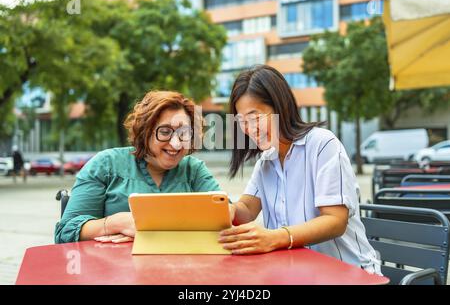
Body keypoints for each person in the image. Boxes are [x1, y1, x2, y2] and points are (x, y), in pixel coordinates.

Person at [219, 65, 381, 275]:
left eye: (255, 117)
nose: (249, 129)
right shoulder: (266, 161)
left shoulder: (322, 144)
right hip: (296, 273)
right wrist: (228, 209)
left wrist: (274, 238)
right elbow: (247, 210)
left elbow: (335, 220)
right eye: (242, 121)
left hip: (347, 273)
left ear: (281, 107)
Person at [55, 91, 221, 244]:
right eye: (165, 132)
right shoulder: (106, 165)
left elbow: (225, 218)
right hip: (113, 271)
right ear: (145, 131)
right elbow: (65, 232)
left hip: (181, 269)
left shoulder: (195, 170)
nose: (176, 143)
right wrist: (113, 223)